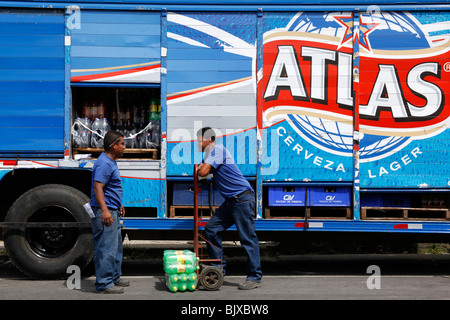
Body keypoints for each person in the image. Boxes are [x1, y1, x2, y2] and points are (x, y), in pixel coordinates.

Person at [196, 127, 263, 290]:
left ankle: (254, 277)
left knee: (247, 238)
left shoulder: (217, 150)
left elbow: (203, 172)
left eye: (200, 140)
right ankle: (218, 269)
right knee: (211, 229)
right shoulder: (210, 154)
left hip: (242, 199)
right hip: (231, 201)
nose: (198, 143)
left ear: (209, 140)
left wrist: (199, 168)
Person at [90, 130, 129, 294]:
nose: (124, 148)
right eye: (122, 144)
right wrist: (105, 211)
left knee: (115, 246)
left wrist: (118, 203)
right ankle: (104, 283)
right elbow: (98, 188)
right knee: (106, 248)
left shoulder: (110, 161)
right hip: (105, 211)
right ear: (114, 146)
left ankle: (114, 277)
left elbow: (110, 188)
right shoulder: (104, 163)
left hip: (112, 208)